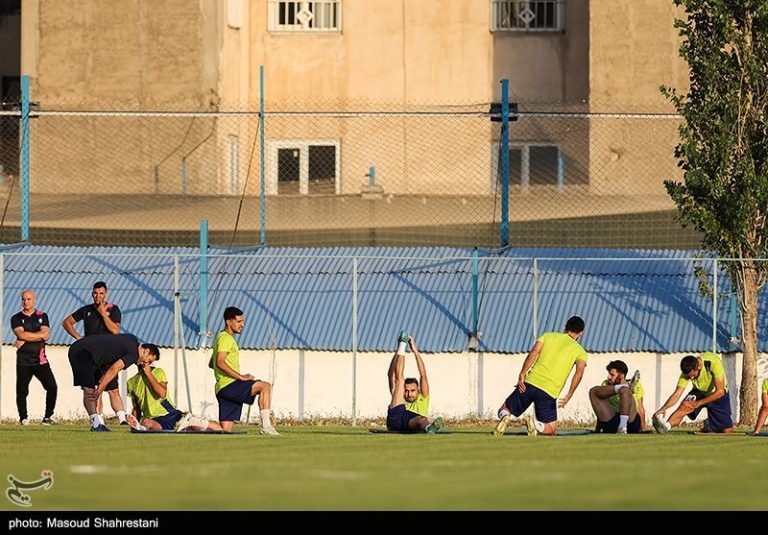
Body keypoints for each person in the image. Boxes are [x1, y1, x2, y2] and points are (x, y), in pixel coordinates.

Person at [493, 316, 587, 436]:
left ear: (565, 327)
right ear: (581, 333)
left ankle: (505, 418)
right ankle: (535, 424)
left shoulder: (547, 336)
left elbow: (533, 353)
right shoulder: (580, 351)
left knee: (504, 409)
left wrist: (522, 373)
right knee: (551, 429)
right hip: (549, 391)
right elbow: (579, 371)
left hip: (529, 383)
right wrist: (570, 393)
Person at [62, 281, 127, 425]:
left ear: (106, 294)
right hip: (90, 357)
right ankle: (98, 421)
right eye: (95, 293)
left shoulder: (113, 310)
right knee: (93, 390)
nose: (98, 296)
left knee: (112, 389)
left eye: (101, 293)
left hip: (108, 357)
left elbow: (115, 330)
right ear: (92, 294)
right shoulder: (86, 310)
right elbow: (66, 322)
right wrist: (79, 338)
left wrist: (104, 314)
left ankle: (123, 419)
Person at [67, 333, 160, 432]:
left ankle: (104, 423)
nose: (146, 364)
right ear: (146, 351)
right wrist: (99, 390)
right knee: (89, 389)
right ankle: (96, 424)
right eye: (149, 360)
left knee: (105, 389)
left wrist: (102, 380)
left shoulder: (132, 339)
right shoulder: (134, 353)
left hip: (93, 357)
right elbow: (114, 369)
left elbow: (111, 356)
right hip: (81, 352)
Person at [211, 306, 279, 435]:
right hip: (230, 385)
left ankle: (194, 422)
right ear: (228, 321)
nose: (242, 325)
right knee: (265, 387)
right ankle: (266, 426)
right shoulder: (226, 338)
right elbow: (219, 362)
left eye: (243, 321)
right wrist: (240, 377)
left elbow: (212, 362)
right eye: (238, 321)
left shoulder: (220, 337)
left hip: (222, 388)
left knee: (225, 431)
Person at [125, 360, 225, 433]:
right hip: (153, 419)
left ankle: (222, 431)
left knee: (196, 425)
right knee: (146, 423)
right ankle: (141, 428)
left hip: (170, 414)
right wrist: (135, 424)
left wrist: (148, 374)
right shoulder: (131, 382)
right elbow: (136, 408)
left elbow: (162, 393)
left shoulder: (158, 372)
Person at [653, 352, 733, 434]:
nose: (691, 378)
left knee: (726, 431)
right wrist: (664, 407)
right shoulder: (687, 372)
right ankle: (665, 427)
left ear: (698, 366)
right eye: (689, 376)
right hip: (699, 391)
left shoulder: (713, 363)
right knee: (684, 405)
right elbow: (677, 394)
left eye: (693, 375)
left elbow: (720, 391)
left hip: (717, 394)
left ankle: (709, 424)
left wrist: (698, 403)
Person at [11, 289, 57, 425]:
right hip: (23, 361)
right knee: (22, 391)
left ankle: (47, 417)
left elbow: (46, 334)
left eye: (29, 299)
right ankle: (23, 418)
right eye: (24, 299)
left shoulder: (42, 315)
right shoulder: (16, 318)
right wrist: (37, 335)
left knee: (52, 387)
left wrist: (27, 336)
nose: (26, 302)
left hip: (40, 360)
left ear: (34, 300)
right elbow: (21, 335)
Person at [386, 333, 444, 433]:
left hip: (412, 422)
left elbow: (423, 375)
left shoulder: (423, 397)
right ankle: (402, 345)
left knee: (423, 419)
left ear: (418, 390)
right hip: (397, 418)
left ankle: (429, 428)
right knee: (399, 380)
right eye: (406, 391)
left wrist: (415, 350)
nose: (409, 394)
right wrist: (398, 350)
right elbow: (391, 374)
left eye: (412, 390)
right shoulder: (401, 397)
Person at [590, 360, 645, 434]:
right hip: (612, 422)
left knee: (625, 391)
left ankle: (623, 427)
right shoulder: (606, 383)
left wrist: (643, 430)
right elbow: (601, 407)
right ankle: (626, 386)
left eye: (612, 375)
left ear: (621, 376)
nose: (608, 377)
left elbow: (640, 409)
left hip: (631, 422)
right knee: (593, 391)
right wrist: (597, 430)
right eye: (609, 374)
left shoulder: (636, 385)